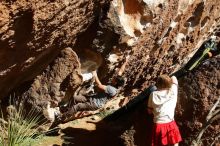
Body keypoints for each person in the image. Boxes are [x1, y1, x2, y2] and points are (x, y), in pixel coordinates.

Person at [59, 55, 130, 122]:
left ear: (116, 82)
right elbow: (120, 72)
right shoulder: (115, 84)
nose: (113, 78)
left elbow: (99, 85)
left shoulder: (112, 89)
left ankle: (62, 117)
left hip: (94, 104)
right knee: (75, 98)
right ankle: (66, 110)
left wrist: (95, 75)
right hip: (92, 98)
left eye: (114, 79)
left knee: (78, 106)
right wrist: (125, 62)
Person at [147, 74, 182, 146]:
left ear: (158, 84)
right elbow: (174, 78)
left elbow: (149, 111)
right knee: (175, 144)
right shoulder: (173, 92)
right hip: (170, 123)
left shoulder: (153, 94)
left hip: (158, 125)